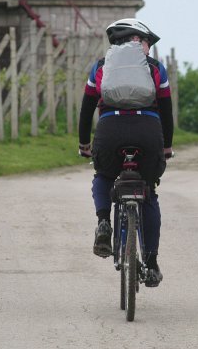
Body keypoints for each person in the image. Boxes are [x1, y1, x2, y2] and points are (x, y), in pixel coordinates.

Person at [78, 18, 174, 287]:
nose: (149, 48)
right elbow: (166, 111)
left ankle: (102, 222)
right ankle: (152, 262)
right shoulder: (156, 69)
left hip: (110, 130)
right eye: (147, 42)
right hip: (147, 131)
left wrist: (84, 144)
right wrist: (166, 147)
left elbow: (87, 109)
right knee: (149, 191)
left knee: (104, 175)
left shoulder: (101, 67)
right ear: (137, 40)